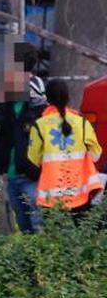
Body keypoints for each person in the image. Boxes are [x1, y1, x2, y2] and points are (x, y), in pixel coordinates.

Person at [27, 79, 103, 219]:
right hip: (80, 195)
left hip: (51, 197)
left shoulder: (39, 125)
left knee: (54, 238)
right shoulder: (82, 123)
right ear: (68, 97)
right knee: (80, 237)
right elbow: (96, 155)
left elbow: (33, 159)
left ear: (47, 99)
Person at [0, 46, 46, 233]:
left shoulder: (37, 94)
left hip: (31, 173)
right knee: (24, 227)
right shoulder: (7, 99)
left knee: (37, 226)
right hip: (12, 171)